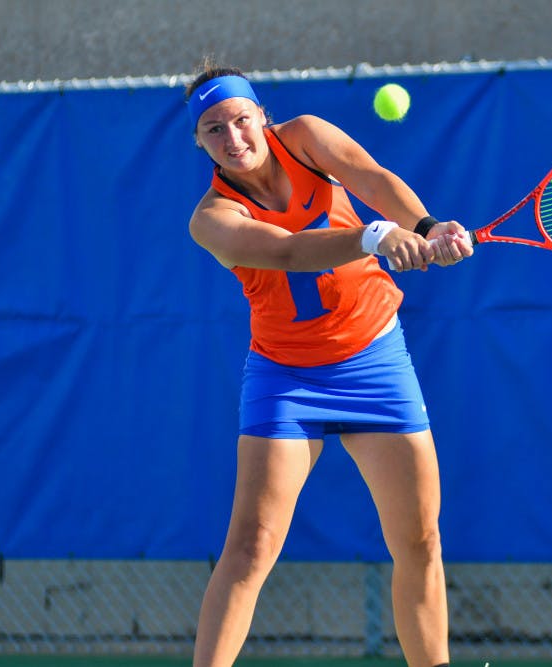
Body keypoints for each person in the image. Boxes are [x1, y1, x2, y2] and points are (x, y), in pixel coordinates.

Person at [184, 60, 473, 667]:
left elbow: (371, 176)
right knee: (251, 546)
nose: (233, 138)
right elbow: (288, 253)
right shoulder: (212, 219)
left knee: (419, 540)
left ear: (262, 116)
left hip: (375, 359)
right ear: (199, 142)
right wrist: (372, 238)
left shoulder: (308, 137)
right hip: (286, 377)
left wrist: (426, 226)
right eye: (214, 129)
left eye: (240, 120)